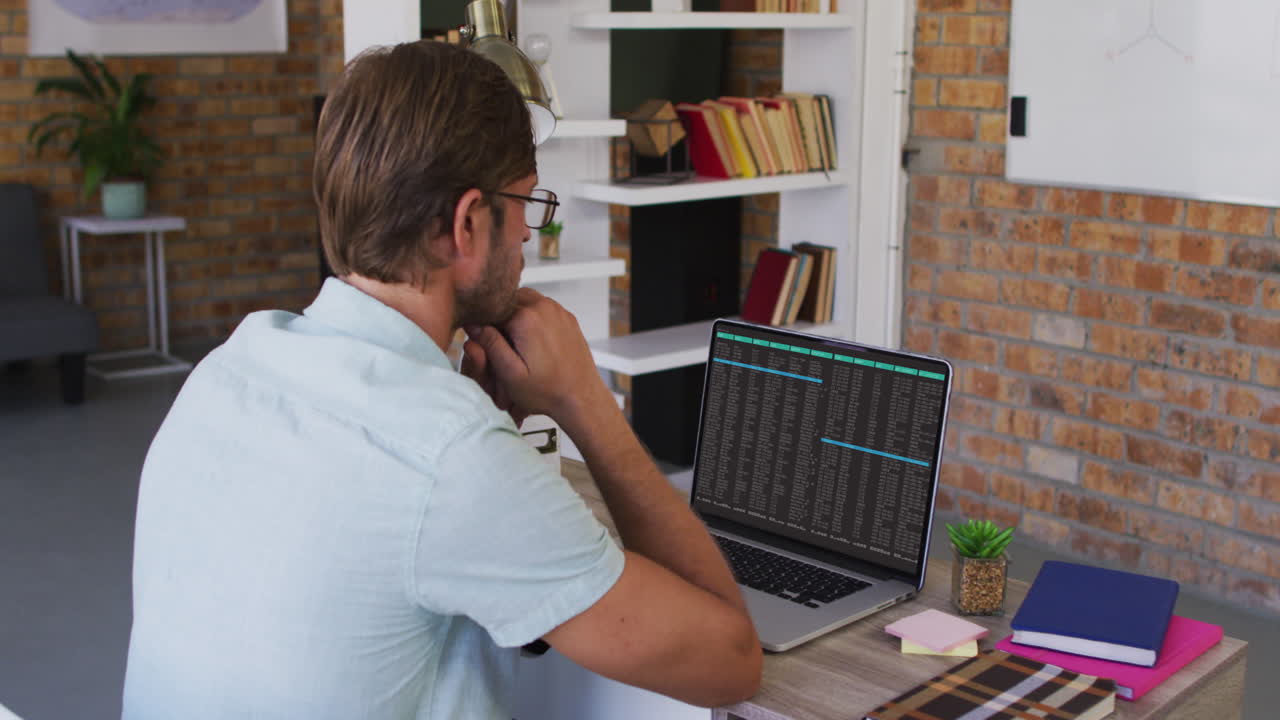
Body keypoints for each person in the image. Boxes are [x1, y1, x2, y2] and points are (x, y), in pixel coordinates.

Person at [121, 40, 761, 719]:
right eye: (523, 203)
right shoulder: (451, 457)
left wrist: (483, 435)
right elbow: (730, 662)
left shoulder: (228, 368)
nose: (525, 236)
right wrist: (585, 402)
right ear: (464, 224)